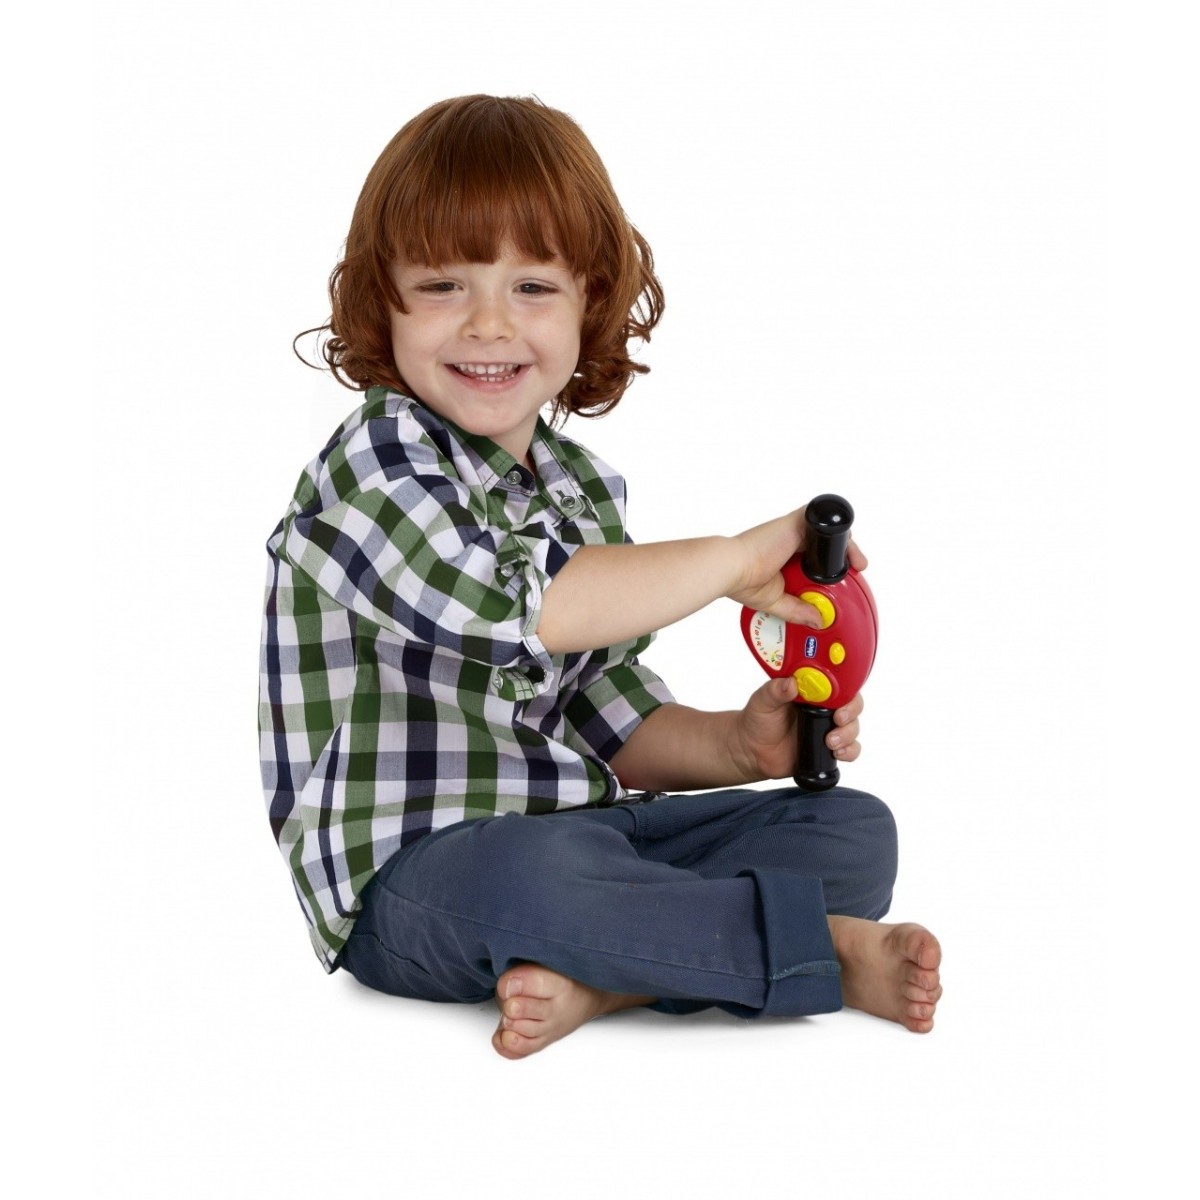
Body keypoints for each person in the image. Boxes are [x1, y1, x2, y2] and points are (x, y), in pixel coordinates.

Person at [259, 94, 942, 1059]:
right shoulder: (375, 463)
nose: (488, 323)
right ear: (385, 299)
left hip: (585, 835)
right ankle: (811, 952)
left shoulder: (580, 489)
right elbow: (515, 607)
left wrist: (740, 747)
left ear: (592, 301)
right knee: (534, 879)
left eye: (533, 287)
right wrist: (732, 560)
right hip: (416, 882)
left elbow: (604, 714)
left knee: (853, 834)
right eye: (443, 284)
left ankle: (611, 979)